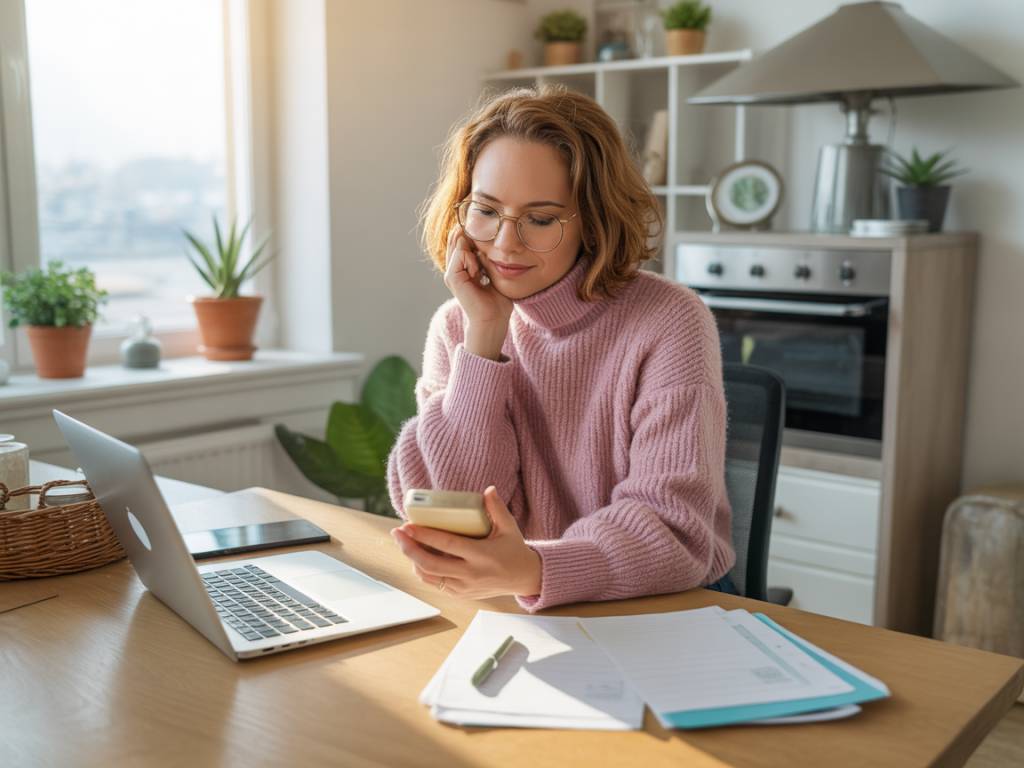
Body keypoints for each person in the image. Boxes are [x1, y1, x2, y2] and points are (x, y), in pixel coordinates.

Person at [387, 84, 736, 612]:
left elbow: (673, 531)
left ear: (592, 222)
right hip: (518, 600)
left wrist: (538, 567)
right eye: (485, 210)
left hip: (661, 606)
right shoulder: (458, 326)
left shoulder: (669, 321)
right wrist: (483, 340)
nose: (505, 244)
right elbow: (457, 508)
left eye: (541, 219)